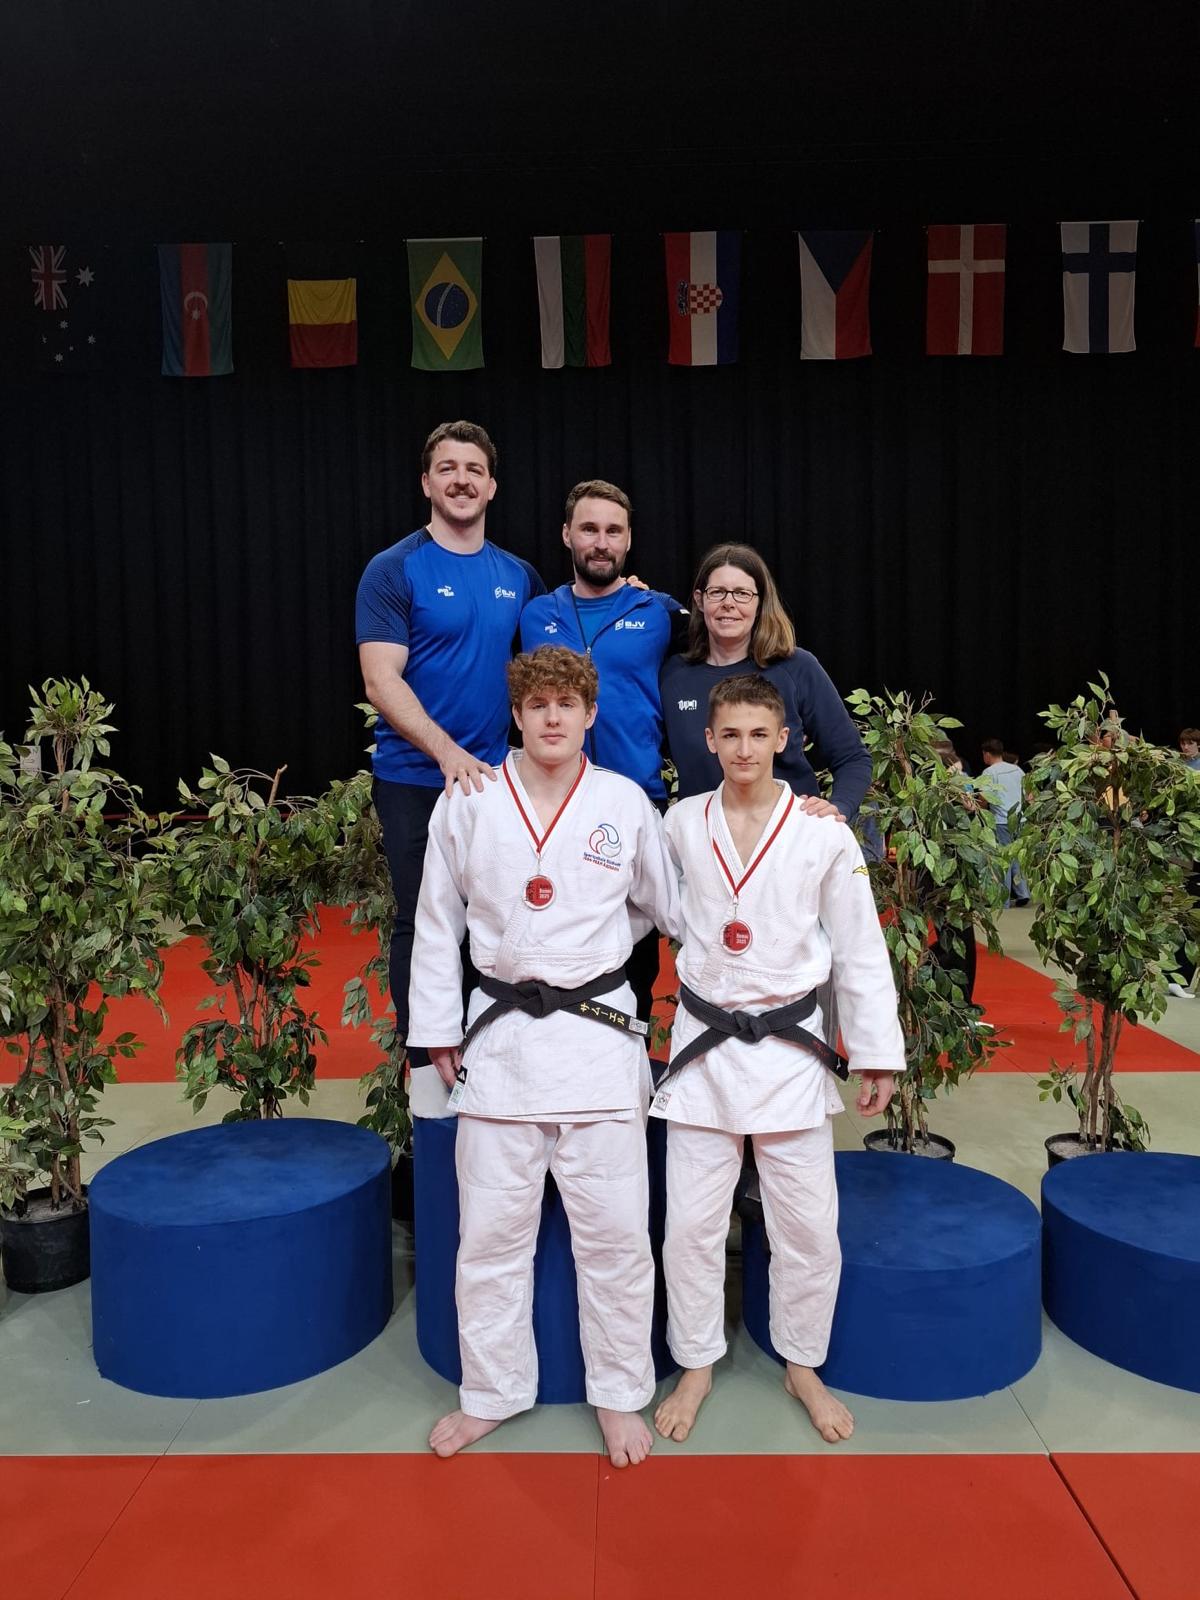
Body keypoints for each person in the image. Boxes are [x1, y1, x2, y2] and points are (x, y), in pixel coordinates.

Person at [407, 646, 680, 1465]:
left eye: (567, 704)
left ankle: (620, 1394)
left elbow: (664, 907)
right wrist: (437, 1028)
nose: (553, 717)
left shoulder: (624, 802)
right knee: (490, 1239)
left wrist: (588, 952)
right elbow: (435, 922)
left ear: (591, 714)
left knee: (616, 1241)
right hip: (501, 1041)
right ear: (518, 715)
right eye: (538, 704)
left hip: (597, 1039)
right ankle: (491, 1393)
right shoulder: (469, 801)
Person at [650, 674, 903, 1445]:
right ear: (709, 741)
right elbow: (648, 907)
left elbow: (859, 947)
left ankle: (802, 1363)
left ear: (784, 739)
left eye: (759, 735)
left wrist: (876, 1054)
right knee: (690, 1227)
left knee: (808, 1227)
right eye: (730, 735)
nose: (744, 749)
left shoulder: (823, 832)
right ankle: (697, 1363)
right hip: (705, 1050)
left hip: (791, 1052)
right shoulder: (680, 823)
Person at [355, 421, 544, 1113]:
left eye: (474, 469)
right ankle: (427, 1071)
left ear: (491, 486)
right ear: (426, 483)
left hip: (494, 786)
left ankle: (495, 1052)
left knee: (498, 919)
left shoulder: (519, 576)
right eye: (447, 468)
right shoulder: (392, 570)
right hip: (415, 780)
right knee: (424, 920)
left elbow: (556, 654)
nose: (461, 479)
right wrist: (447, 753)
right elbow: (381, 680)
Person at [520, 480, 686, 1022]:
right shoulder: (534, 615)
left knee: (635, 958)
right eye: (589, 529)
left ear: (629, 539)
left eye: (613, 531)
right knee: (551, 938)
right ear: (567, 534)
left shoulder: (658, 611)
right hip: (550, 808)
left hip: (635, 803)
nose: (601, 542)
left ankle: (628, 1059)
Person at [660, 543, 870, 817]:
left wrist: (839, 806)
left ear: (760, 603)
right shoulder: (673, 676)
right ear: (700, 600)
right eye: (717, 592)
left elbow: (852, 757)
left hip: (787, 836)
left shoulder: (796, 668)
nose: (728, 603)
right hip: (704, 837)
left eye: (742, 593)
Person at [978, 738, 1029, 906]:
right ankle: (1022, 892)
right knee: (1017, 855)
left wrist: (979, 808)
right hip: (1020, 818)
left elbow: (984, 798)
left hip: (1001, 820)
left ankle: (1003, 900)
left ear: (987, 754)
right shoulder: (1017, 769)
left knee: (1003, 858)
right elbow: (1028, 794)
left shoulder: (989, 773)